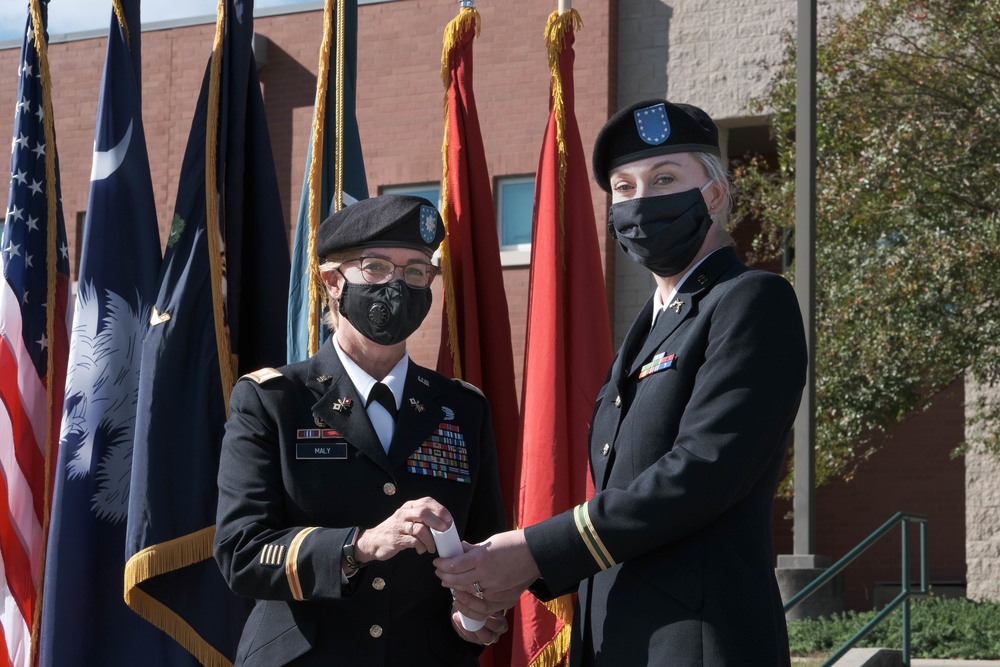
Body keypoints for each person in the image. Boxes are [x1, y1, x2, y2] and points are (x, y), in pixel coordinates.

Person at [434, 100, 807, 666]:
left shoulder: (751, 300)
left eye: (664, 178)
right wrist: (509, 577)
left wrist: (534, 553)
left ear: (713, 194)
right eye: (624, 187)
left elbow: (701, 473)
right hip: (616, 641)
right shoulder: (648, 327)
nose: (641, 201)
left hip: (696, 643)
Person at [215, 194, 508, 666]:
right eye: (375, 268)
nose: (398, 285)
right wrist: (360, 546)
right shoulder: (275, 400)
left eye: (416, 271)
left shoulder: (461, 408)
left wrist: (480, 610)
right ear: (332, 281)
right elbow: (241, 552)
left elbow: (487, 545)